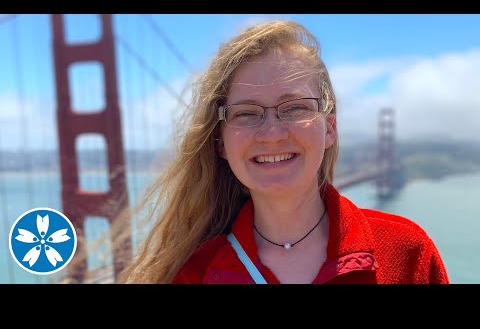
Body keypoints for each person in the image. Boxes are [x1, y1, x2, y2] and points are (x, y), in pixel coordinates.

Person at [119, 19, 449, 284]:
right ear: (220, 142)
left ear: (330, 128)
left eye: (294, 109)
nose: (273, 133)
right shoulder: (194, 274)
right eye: (246, 114)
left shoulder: (408, 253)